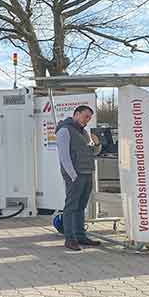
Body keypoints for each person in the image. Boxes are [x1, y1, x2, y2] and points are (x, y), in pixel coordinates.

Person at [57, 105, 102, 251]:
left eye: (89, 118)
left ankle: (80, 236)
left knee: (81, 206)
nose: (87, 120)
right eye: (85, 116)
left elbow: (92, 152)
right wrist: (73, 175)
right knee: (71, 206)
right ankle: (70, 239)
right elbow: (64, 156)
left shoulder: (84, 133)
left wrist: (97, 143)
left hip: (87, 173)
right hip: (75, 176)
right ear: (76, 114)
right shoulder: (64, 130)